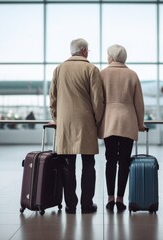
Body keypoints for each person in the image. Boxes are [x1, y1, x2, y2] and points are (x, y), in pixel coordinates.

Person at [49, 38, 104, 214]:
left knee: (67, 164)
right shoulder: (91, 69)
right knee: (88, 163)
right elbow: (98, 100)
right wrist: (97, 120)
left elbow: (53, 99)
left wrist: (56, 118)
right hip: (86, 122)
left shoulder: (59, 69)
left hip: (65, 123)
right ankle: (87, 204)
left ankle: (70, 205)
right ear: (85, 51)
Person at [98, 44, 146, 212]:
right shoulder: (132, 75)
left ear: (111, 57)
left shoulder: (102, 74)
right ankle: (120, 199)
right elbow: (139, 103)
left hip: (109, 121)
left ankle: (110, 198)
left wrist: (97, 120)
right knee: (124, 162)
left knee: (110, 161)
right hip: (128, 121)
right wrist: (140, 122)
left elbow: (98, 101)